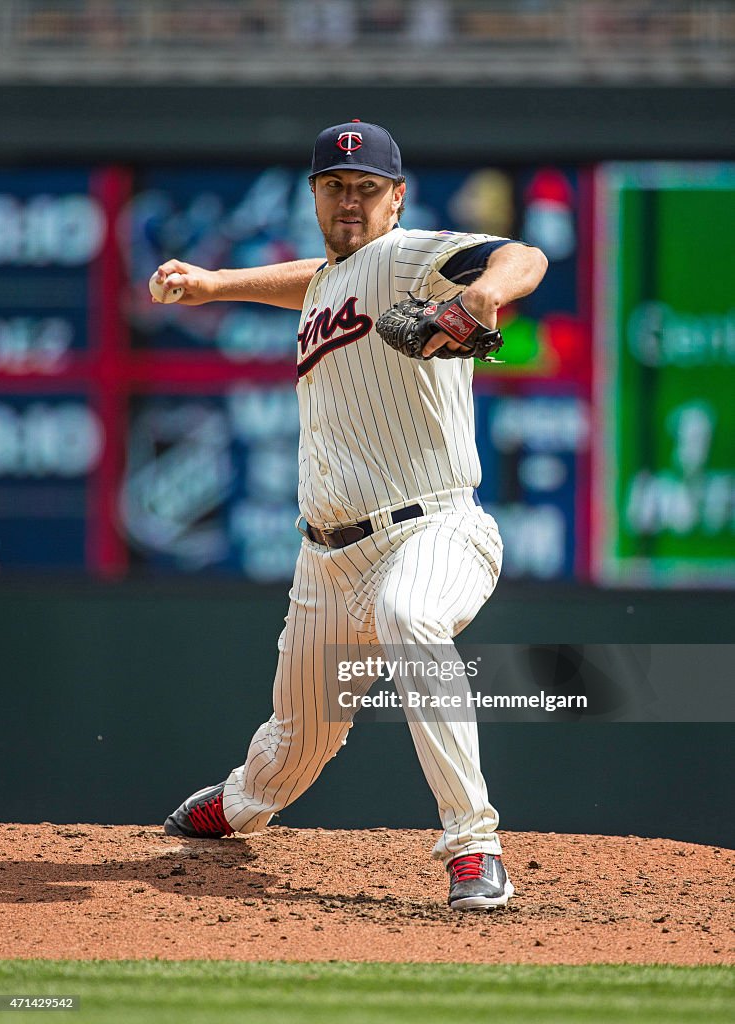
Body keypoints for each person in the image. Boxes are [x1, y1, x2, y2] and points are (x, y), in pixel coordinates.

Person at [156, 120, 547, 911]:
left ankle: (473, 846)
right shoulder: (340, 278)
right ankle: (237, 806)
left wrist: (480, 295)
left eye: (368, 189)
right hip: (329, 560)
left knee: (411, 616)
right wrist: (214, 284)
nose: (350, 200)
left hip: (434, 528)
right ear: (314, 196)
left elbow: (524, 257)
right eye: (336, 187)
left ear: (396, 199)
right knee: (289, 754)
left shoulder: (410, 256)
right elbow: (318, 280)